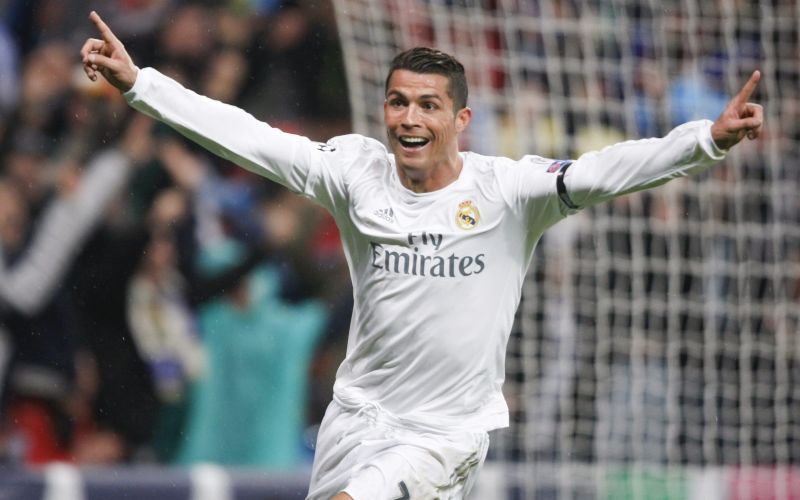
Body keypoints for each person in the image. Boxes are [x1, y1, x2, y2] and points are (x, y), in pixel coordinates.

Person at [80, 9, 763, 500]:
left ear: (460, 121)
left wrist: (707, 140)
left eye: (429, 106)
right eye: (399, 103)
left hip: (445, 432)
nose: (410, 119)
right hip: (354, 421)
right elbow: (252, 139)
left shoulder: (510, 191)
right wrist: (143, 85)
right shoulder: (355, 173)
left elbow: (607, 169)